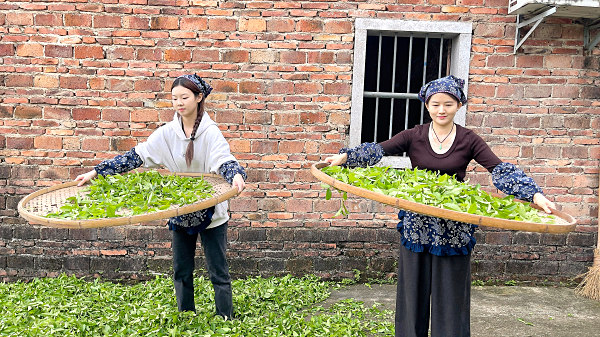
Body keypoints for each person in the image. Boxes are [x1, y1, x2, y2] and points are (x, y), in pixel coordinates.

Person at [324, 75, 555, 337]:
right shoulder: (414, 135)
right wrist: (346, 156)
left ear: (458, 105)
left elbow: (499, 169)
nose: (441, 110)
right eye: (435, 104)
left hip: (454, 226)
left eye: (448, 103)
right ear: (426, 105)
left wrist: (534, 195)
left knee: (451, 296)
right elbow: (379, 149)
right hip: (417, 225)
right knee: (413, 293)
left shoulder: (469, 139)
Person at [75, 74, 246, 319]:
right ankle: (186, 316)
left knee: (218, 270)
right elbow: (136, 156)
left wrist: (236, 175)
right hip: (180, 208)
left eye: (184, 97)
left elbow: (224, 159)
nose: (179, 102)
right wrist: (96, 172)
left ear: (199, 98)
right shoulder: (166, 133)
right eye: (174, 98)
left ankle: (225, 317)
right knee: (181, 270)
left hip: (212, 210)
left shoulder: (210, 132)